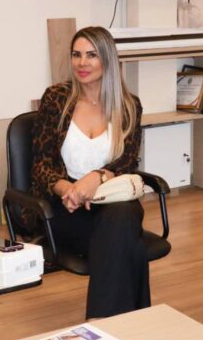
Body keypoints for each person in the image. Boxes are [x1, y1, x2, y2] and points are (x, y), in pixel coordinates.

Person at [30, 25, 148, 319]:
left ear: (107, 59)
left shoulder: (129, 106)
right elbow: (40, 165)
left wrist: (97, 177)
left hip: (111, 199)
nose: (82, 63)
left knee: (121, 219)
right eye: (76, 55)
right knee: (127, 242)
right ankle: (124, 323)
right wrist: (69, 190)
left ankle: (102, 321)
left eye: (91, 55)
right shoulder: (56, 99)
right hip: (67, 206)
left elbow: (127, 163)